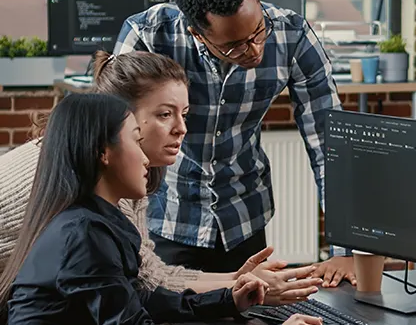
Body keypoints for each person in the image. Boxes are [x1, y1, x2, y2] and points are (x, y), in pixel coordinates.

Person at [0, 93, 332, 325]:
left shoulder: (80, 223)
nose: (145, 158)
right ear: (102, 153)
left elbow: (141, 301)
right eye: (135, 141)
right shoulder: (83, 237)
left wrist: (227, 301)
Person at [115, 0, 353, 325]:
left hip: (242, 218)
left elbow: (330, 144)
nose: (255, 50)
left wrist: (346, 249)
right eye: (235, 46)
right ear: (196, 31)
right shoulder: (150, 34)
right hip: (165, 217)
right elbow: (115, 138)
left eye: (257, 30)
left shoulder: (290, 33)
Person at [0, 51, 322, 306]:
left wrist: (236, 277)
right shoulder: (98, 172)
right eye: (165, 114)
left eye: (184, 113)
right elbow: (147, 283)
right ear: (123, 116)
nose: (181, 128)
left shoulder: (128, 164)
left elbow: (151, 271)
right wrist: (238, 284)